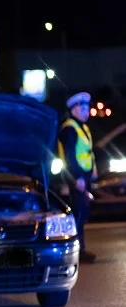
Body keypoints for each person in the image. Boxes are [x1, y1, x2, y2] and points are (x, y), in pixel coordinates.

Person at [57, 91, 97, 263]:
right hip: (76, 178)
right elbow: (70, 156)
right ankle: (79, 251)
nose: (86, 111)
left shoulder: (83, 127)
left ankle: (80, 249)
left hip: (84, 176)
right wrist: (78, 178)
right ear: (73, 109)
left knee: (83, 212)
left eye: (87, 107)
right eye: (83, 108)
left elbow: (87, 152)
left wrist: (93, 170)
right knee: (78, 213)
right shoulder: (69, 129)